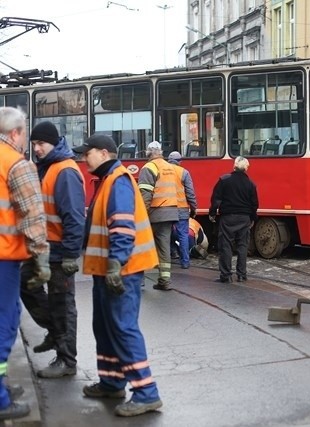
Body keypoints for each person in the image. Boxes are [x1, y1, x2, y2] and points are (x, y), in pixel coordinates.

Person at [72, 134, 162, 417]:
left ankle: (147, 393)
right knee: (105, 326)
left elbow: (122, 227)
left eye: (87, 153)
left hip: (121, 270)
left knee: (123, 327)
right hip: (108, 270)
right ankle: (112, 381)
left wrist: (116, 264)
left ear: (103, 152)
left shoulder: (118, 180)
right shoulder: (108, 180)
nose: (83, 158)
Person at [20, 121, 85, 379]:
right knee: (26, 285)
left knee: (62, 303)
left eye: (41, 144)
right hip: (43, 248)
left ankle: (67, 360)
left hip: (59, 251)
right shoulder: (46, 168)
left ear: (54, 142)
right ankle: (55, 332)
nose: (36, 148)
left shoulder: (64, 171)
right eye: (33, 144)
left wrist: (70, 254)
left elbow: (74, 217)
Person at [0, 107, 50, 420]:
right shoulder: (16, 164)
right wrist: (41, 256)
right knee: (4, 324)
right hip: (4, 258)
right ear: (16, 133)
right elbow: (32, 213)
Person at [209, 156, 258, 283]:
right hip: (244, 218)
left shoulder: (224, 180)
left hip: (228, 218)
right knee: (242, 246)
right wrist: (252, 218)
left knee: (226, 245)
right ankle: (242, 275)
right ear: (246, 168)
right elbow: (254, 204)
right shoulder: (251, 184)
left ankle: (226, 275)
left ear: (234, 166)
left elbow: (216, 199)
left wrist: (212, 213)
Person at [138, 141, 178, 290]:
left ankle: (139, 280)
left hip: (155, 212)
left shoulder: (149, 167)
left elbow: (145, 195)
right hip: (171, 212)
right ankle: (165, 281)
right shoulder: (170, 167)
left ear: (148, 154)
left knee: (142, 245)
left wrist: (141, 215)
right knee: (164, 247)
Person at [167, 151, 197, 269]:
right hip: (181, 209)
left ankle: (168, 258)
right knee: (183, 236)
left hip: (165, 208)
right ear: (180, 162)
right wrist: (194, 207)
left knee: (165, 234)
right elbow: (190, 193)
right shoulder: (184, 172)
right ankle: (184, 262)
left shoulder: (162, 172)